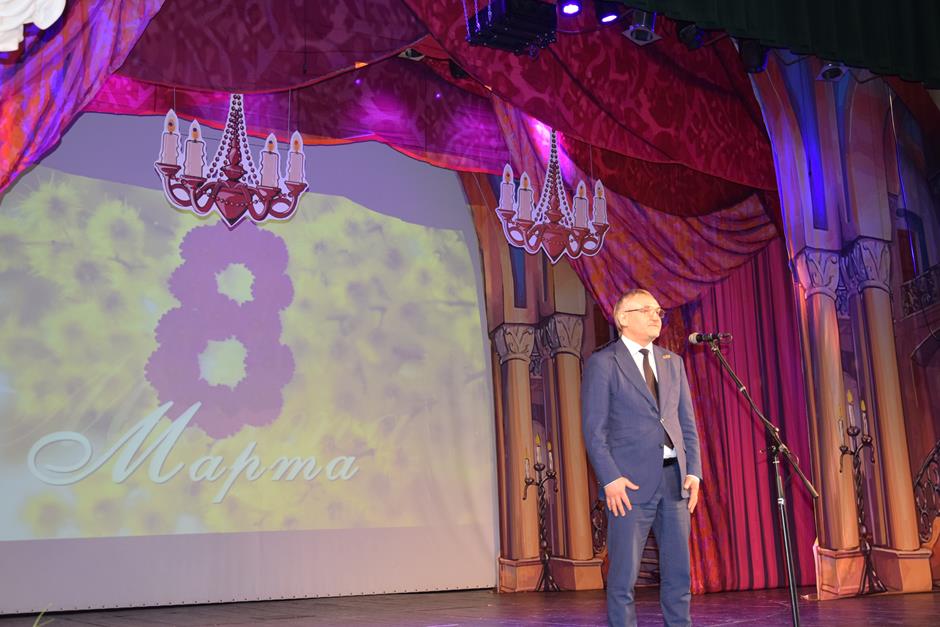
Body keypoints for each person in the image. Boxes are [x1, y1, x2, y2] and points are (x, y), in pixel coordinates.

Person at [581, 288, 702, 627]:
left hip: (674, 481)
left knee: (679, 575)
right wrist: (610, 478)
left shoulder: (672, 362)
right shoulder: (604, 363)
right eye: (646, 310)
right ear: (623, 318)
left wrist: (694, 472)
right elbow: (594, 430)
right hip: (628, 485)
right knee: (623, 578)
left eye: (658, 311)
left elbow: (686, 425)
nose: (655, 316)